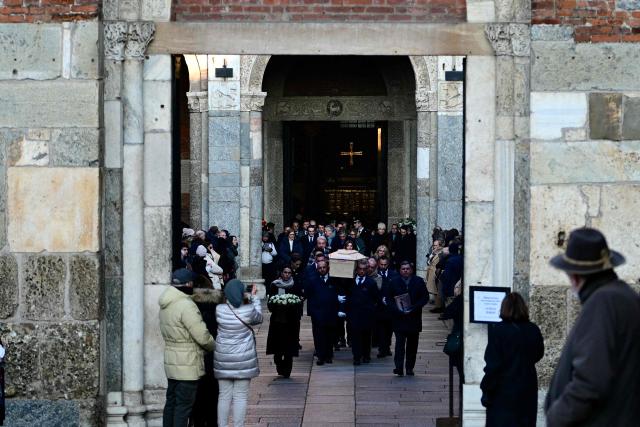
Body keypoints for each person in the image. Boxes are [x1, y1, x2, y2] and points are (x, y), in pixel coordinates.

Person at [544, 228, 640, 427]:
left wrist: (557, 417)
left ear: (575, 276)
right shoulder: (625, 297)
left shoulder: (603, 302)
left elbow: (590, 382)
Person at [159, 269, 215, 427]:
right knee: (183, 407)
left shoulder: (167, 302)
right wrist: (213, 344)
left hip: (172, 361)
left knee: (171, 404)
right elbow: (202, 336)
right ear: (189, 284)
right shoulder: (186, 305)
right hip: (188, 364)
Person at [480, 292, 544, 427]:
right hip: (527, 387)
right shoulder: (533, 329)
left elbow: (492, 364)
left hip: (503, 390)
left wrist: (486, 388)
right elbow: (538, 354)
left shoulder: (499, 330)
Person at [214, 279, 262, 427]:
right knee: (240, 396)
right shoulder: (248, 310)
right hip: (244, 358)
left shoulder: (219, 309)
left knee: (223, 396)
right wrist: (254, 297)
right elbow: (259, 317)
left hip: (223, 357)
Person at [191, 279, 224, 427]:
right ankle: (212, 422)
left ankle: (198, 421)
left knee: (198, 393)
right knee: (213, 393)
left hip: (195, 355)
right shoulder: (218, 306)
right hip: (214, 355)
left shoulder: (191, 306)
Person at [386, 261, 428, 376]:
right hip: (399, 318)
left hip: (413, 318)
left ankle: (409, 367)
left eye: (407, 269)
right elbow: (389, 298)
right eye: (403, 269)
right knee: (399, 345)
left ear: (411, 270)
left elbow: (425, 297)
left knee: (412, 345)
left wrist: (415, 307)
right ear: (400, 270)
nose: (405, 271)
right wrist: (396, 308)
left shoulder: (418, 281)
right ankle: (399, 367)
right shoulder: (394, 282)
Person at [266, 267, 303, 378]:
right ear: (281, 273)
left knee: (289, 347)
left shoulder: (295, 285)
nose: (287, 275)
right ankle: (279, 363)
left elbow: (299, 300)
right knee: (277, 346)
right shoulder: (275, 285)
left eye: (289, 273)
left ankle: (287, 370)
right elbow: (270, 301)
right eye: (285, 272)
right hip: (278, 319)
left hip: (291, 320)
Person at [305, 260, 341, 365]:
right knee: (318, 335)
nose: (322, 269)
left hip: (331, 312)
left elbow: (338, 293)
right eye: (320, 268)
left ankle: (329, 356)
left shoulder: (334, 280)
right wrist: (313, 311)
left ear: (328, 268)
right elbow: (309, 296)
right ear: (317, 269)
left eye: (324, 267)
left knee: (330, 335)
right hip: (318, 313)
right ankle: (321, 356)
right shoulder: (312, 280)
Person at [347, 260, 380, 365]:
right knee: (355, 336)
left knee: (366, 336)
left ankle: (366, 355)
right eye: (360, 269)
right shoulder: (351, 281)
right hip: (354, 314)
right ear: (356, 270)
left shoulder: (371, 283)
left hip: (367, 314)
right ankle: (356, 357)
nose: (361, 271)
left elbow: (376, 298)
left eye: (364, 269)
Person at [376, 256, 398, 358]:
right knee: (380, 329)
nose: (383, 266)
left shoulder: (393, 274)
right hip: (379, 307)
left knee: (389, 329)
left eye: (385, 264)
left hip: (390, 307)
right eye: (381, 264)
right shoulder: (375, 274)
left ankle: (387, 346)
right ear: (378, 264)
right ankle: (381, 348)